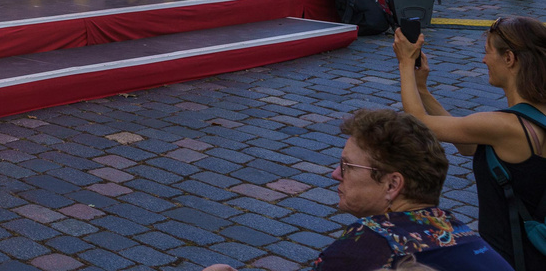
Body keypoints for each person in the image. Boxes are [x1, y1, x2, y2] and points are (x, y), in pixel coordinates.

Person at [210, 109, 511, 271]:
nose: (334, 174)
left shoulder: (370, 246)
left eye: (347, 166)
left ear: (392, 184)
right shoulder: (460, 234)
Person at [395, 16, 546, 271]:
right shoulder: (529, 120)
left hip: (510, 258)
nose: (484, 60)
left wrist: (405, 64)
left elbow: (418, 121)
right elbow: (467, 145)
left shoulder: (504, 126)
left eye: (487, 52)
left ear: (509, 58)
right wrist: (422, 90)